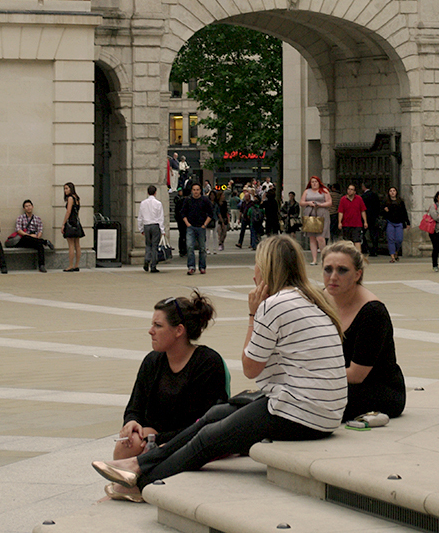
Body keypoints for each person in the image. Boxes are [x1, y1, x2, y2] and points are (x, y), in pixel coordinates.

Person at [92, 235, 347, 495]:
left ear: (268, 269)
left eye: (257, 265)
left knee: (208, 438)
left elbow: (250, 368)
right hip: (325, 410)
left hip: (301, 412)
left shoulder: (274, 305)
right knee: (215, 416)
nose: (254, 274)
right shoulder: (313, 298)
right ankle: (137, 463)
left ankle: (141, 484)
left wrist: (253, 313)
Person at [108, 292, 228, 500]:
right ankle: (129, 488)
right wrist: (132, 423)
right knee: (126, 443)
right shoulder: (153, 361)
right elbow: (135, 407)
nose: (150, 331)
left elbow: (203, 425)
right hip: (153, 437)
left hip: (190, 442)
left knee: (142, 446)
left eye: (158, 325)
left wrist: (158, 438)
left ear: (179, 331)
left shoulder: (207, 363)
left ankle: (132, 489)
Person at [322, 241, 406, 422]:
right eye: (327, 269)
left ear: (357, 275)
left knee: (308, 402)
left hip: (377, 390)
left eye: (342, 270)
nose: (333, 277)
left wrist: (311, 376)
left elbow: (356, 375)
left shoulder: (373, 312)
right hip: (335, 382)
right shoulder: (321, 300)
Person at [300, 175, 332, 265]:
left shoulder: (324, 191)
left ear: (319, 182)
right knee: (312, 238)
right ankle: (314, 259)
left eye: (316, 182)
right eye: (312, 182)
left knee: (320, 237)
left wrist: (321, 204)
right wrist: (308, 203)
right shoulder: (307, 191)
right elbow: (301, 202)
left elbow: (329, 202)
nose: (314, 183)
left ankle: (324, 257)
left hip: (321, 214)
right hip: (310, 214)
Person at [182, 182, 212, 275]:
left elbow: (210, 214)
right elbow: (183, 213)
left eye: (197, 190)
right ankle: (191, 266)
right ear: (192, 191)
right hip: (191, 227)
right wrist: (187, 224)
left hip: (201, 227)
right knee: (190, 247)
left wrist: (205, 225)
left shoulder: (205, 200)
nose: (196, 192)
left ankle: (202, 267)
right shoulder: (188, 200)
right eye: (194, 190)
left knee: (202, 248)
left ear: (200, 191)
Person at [15, 200, 51, 272]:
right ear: (24, 209)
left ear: (32, 207)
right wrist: (30, 235)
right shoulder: (20, 218)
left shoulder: (37, 219)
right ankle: (45, 241)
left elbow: (40, 230)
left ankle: (41, 265)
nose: (28, 208)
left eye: (29, 206)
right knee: (26, 237)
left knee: (39, 245)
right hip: (24, 239)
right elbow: (18, 230)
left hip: (35, 239)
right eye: (26, 206)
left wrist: (37, 236)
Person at [137, 185, 165, 274]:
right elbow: (161, 217)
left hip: (146, 225)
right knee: (154, 246)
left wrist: (141, 228)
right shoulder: (158, 203)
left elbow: (140, 217)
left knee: (148, 244)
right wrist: (162, 230)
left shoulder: (143, 203)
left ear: (147, 192)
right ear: (155, 192)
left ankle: (147, 259)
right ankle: (153, 265)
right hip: (155, 225)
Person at [382, 187, 410, 263]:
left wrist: (408, 222)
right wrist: (385, 210)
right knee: (391, 239)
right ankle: (392, 257)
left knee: (399, 239)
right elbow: (381, 212)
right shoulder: (386, 201)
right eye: (390, 191)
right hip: (389, 222)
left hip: (399, 222)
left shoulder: (400, 201)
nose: (392, 192)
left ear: (396, 192)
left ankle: (396, 251)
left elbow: (404, 212)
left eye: (394, 191)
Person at [61, 182, 84, 272]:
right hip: (76, 222)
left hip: (70, 221)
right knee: (77, 244)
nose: (65, 190)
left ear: (71, 188)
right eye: (64, 189)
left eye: (67, 188)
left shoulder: (70, 198)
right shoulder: (77, 198)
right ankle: (76, 265)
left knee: (71, 245)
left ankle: (71, 265)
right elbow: (77, 211)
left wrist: (63, 223)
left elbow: (68, 211)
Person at [360, 181, 381, 256]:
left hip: (365, 217)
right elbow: (378, 206)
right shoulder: (375, 195)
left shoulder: (363, 196)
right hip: (374, 217)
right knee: (373, 234)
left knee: (362, 234)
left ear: (364, 186)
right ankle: (375, 250)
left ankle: (365, 248)